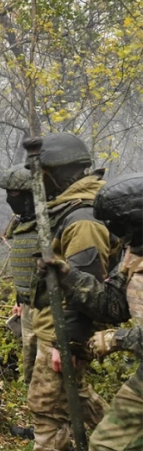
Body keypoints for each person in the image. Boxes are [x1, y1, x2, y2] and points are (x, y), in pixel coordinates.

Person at [25, 133, 122, 451]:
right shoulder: (73, 210)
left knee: (47, 409)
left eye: (43, 174)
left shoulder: (83, 220)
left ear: (59, 173)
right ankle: (124, 436)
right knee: (71, 395)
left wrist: (65, 343)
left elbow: (86, 291)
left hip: (64, 332)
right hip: (56, 328)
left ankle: (122, 438)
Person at [42, 172, 143, 451]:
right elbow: (114, 303)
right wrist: (68, 276)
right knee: (107, 444)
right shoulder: (135, 252)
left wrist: (117, 339)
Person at [0, 163, 38, 439]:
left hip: (51, 309)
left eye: (15, 192)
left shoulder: (52, 221)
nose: (10, 197)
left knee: (51, 375)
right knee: (32, 368)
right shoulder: (23, 221)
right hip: (29, 305)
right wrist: (19, 299)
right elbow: (24, 265)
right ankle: (43, 427)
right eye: (8, 192)